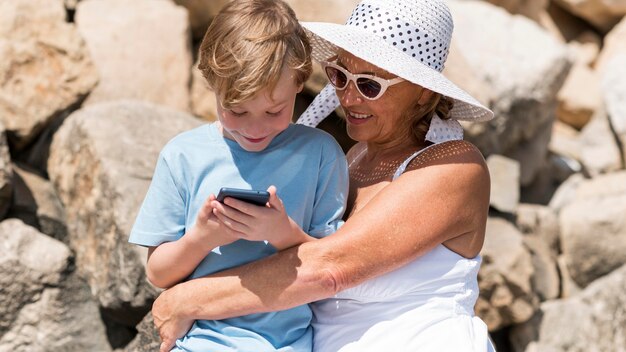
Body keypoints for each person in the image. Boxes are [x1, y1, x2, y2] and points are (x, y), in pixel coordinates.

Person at [152, 0, 497, 351]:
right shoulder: (349, 159)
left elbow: (329, 269)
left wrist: (185, 299)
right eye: (340, 75)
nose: (348, 96)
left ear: (424, 93)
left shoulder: (455, 167)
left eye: (370, 85)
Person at [128, 0, 349, 350]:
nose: (255, 127)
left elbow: (332, 265)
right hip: (198, 342)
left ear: (300, 83)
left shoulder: (320, 154)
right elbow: (158, 273)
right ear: (211, 85)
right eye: (237, 110)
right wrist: (200, 238)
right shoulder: (183, 155)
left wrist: (282, 233)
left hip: (288, 344)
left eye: (274, 110)